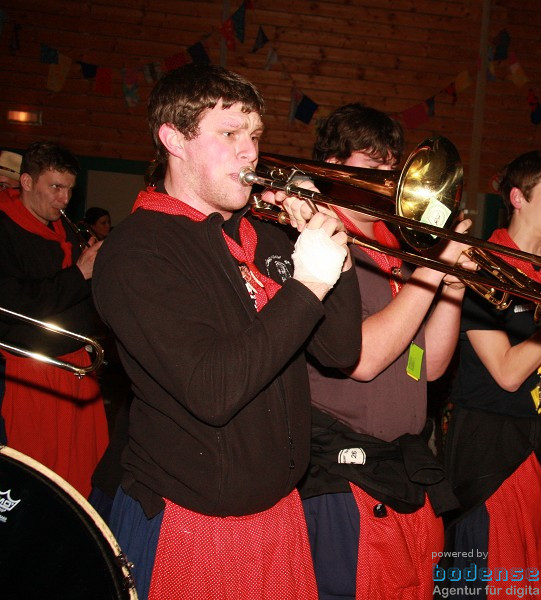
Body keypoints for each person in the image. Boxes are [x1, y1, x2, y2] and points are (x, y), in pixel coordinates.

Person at [91, 63, 363, 600]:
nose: (250, 151)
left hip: (280, 510)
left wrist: (335, 252)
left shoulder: (260, 234)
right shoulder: (136, 250)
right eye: (229, 134)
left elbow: (340, 349)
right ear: (174, 139)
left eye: (255, 135)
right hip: (195, 523)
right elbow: (212, 389)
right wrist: (307, 285)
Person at [298, 103, 471, 600]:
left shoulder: (393, 242)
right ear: (333, 164)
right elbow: (363, 359)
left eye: (391, 165)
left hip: (402, 461)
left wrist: (454, 279)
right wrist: (433, 271)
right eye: (373, 164)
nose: (390, 177)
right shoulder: (319, 236)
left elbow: (431, 364)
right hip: (342, 471)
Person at [441, 151, 541, 599]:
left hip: (537, 438)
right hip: (487, 442)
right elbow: (508, 373)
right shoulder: (484, 265)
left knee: (531, 578)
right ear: (518, 198)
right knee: (485, 581)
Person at [0, 141, 107, 498]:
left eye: (69, 190)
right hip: (31, 374)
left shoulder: (66, 230)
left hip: (74, 369)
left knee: (79, 479)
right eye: (55, 188)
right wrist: (80, 272)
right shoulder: (5, 228)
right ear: (27, 182)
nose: (64, 200)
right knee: (33, 480)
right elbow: (17, 302)